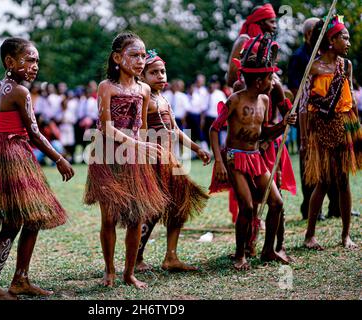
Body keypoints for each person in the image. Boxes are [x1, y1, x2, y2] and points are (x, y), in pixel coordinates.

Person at [0, 38, 74, 300]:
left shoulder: (0, 88)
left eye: (36, 61)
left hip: (3, 153)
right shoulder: (20, 92)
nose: (35, 66)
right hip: (11, 155)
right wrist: (59, 158)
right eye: (29, 60)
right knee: (14, 222)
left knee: (32, 217)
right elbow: (33, 132)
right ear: (10, 62)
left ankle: (20, 280)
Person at [84, 32, 168, 289]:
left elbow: (141, 127)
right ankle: (109, 270)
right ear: (118, 58)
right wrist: (137, 144)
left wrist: (143, 150)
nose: (140, 61)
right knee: (108, 218)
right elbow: (106, 128)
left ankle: (129, 272)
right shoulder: (106, 87)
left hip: (134, 157)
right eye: (134, 55)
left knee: (136, 217)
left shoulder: (144, 89)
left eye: (143, 56)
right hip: (108, 156)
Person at [209, 37, 297, 270]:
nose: (273, 82)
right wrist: (219, 161)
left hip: (256, 157)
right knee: (247, 207)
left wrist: (284, 123)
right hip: (235, 158)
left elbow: (264, 132)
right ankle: (240, 255)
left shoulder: (265, 100)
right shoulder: (235, 100)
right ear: (259, 81)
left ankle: (269, 250)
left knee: (276, 203)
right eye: (270, 78)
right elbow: (214, 128)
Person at [136, 50, 210, 272]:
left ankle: (171, 257)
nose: (160, 76)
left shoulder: (163, 99)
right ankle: (136, 258)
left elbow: (175, 130)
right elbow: (139, 131)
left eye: (162, 71)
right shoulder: (144, 98)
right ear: (141, 76)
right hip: (154, 162)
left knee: (179, 206)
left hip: (171, 161)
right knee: (153, 211)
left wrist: (197, 148)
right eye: (154, 72)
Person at [302, 16, 361, 250]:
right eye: (344, 37)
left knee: (343, 180)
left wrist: (357, 130)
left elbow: (352, 100)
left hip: (346, 125)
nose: (348, 41)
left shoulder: (346, 66)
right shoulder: (313, 67)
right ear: (331, 39)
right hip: (322, 127)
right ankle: (309, 236)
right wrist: (305, 137)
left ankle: (346, 235)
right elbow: (305, 103)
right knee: (324, 181)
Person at [288, 17, 339, 221]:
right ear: (309, 34)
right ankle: (310, 209)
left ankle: (336, 206)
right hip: (307, 117)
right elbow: (295, 88)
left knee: (335, 163)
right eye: (318, 31)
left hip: (329, 118)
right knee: (309, 162)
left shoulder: (329, 53)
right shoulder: (299, 57)